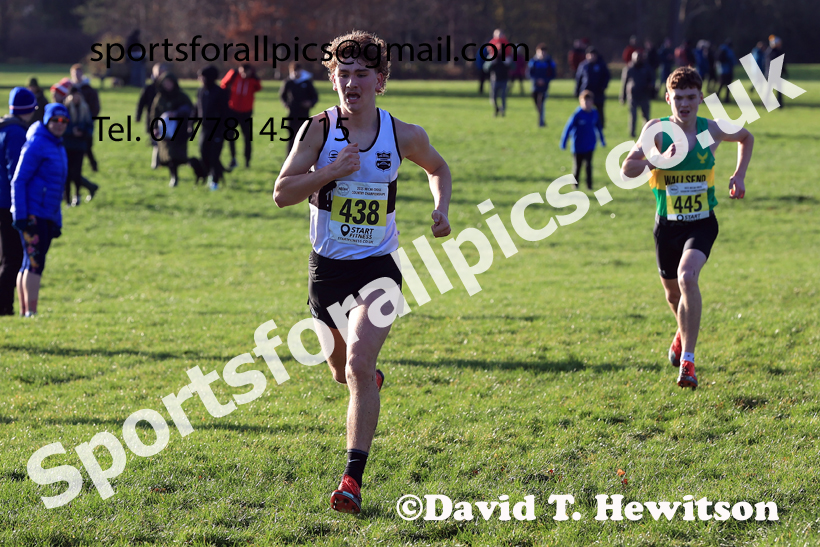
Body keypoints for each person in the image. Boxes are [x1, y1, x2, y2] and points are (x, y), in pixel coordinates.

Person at [273, 30, 452, 515]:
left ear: (381, 80)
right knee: (340, 370)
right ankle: (363, 382)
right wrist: (330, 172)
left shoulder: (402, 134)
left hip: (380, 270)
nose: (351, 83)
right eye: (343, 74)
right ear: (333, 78)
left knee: (357, 363)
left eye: (361, 75)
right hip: (327, 272)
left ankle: (352, 479)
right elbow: (283, 192)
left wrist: (441, 209)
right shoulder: (317, 130)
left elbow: (439, 168)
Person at [621, 67, 753, 389]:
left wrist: (739, 175)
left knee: (686, 276)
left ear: (700, 99)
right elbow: (627, 170)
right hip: (667, 227)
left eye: (691, 97)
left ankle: (688, 363)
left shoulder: (708, 133)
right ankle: (682, 331)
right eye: (678, 97)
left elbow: (745, 137)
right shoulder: (657, 131)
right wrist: (656, 160)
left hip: (702, 223)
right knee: (672, 293)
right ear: (668, 99)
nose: (684, 104)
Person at [10, 103, 70, 317]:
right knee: (35, 263)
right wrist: (20, 214)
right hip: (33, 213)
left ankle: (26, 312)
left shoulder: (58, 145)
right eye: (55, 120)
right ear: (46, 120)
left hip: (47, 214)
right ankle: (30, 312)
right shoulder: (36, 143)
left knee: (29, 262)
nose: (59, 125)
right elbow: (19, 180)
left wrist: (57, 220)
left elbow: (58, 187)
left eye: (64, 121)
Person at [0, 88, 35, 316]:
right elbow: (16, 173)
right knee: (13, 257)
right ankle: (4, 306)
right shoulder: (16, 133)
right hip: (7, 203)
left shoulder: (3, 128)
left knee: (5, 256)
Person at [149, 73, 192, 187]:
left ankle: (179, 173)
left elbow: (191, 111)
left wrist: (177, 114)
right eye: (165, 83)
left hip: (180, 130)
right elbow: (154, 113)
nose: (167, 85)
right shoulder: (159, 98)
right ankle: (173, 177)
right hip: (164, 131)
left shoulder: (182, 96)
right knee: (168, 156)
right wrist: (154, 128)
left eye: (169, 83)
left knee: (178, 155)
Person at [560, 90, 605, 190]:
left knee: (589, 166)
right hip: (578, 145)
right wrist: (564, 142)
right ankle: (575, 185)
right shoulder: (577, 114)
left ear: (592, 102)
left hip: (590, 144)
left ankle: (589, 186)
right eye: (584, 101)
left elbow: (598, 127)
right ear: (580, 102)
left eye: (588, 101)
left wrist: (602, 140)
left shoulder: (594, 113)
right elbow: (568, 128)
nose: (586, 104)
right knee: (577, 166)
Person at [195, 66, 230, 190]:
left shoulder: (220, 92)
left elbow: (226, 113)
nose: (200, 79)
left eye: (202, 76)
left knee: (214, 156)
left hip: (217, 129)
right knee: (203, 153)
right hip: (204, 128)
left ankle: (215, 180)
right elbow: (197, 108)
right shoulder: (200, 92)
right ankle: (212, 173)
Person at [63, 87, 98, 205]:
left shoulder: (85, 109)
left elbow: (90, 126)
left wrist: (83, 132)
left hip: (80, 146)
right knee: (67, 173)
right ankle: (67, 199)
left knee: (77, 172)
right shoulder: (66, 109)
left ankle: (76, 197)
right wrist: (71, 131)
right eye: (73, 95)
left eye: (77, 95)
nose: (75, 98)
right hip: (67, 145)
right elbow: (61, 126)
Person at [222, 64, 262, 169]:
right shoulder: (234, 74)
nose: (244, 74)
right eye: (243, 71)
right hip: (232, 110)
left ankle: (247, 161)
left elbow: (258, 88)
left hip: (246, 112)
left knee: (247, 137)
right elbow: (223, 85)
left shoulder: (253, 79)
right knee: (230, 136)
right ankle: (233, 158)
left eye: (246, 71)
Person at [279, 62, 318, 156]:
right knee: (291, 137)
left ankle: (302, 157)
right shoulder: (288, 82)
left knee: (304, 137)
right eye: (293, 71)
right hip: (292, 114)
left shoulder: (307, 82)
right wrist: (286, 104)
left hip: (304, 114)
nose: (296, 73)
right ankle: (289, 158)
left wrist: (310, 103)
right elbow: (282, 95)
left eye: (297, 70)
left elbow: (315, 97)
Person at [137, 63, 169, 169]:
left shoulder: (168, 87)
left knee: (164, 140)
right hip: (152, 119)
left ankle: (163, 161)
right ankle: (155, 163)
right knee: (156, 142)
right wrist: (138, 115)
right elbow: (141, 103)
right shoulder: (149, 88)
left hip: (166, 119)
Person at [70, 64, 101, 172]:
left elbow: (95, 107)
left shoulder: (89, 90)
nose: (77, 76)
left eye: (78, 73)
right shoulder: (70, 89)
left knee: (87, 146)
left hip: (85, 123)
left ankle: (94, 166)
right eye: (74, 74)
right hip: (72, 123)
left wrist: (89, 120)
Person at [620, 51, 654, 138]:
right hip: (633, 96)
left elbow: (652, 79)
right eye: (636, 57)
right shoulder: (629, 69)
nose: (638, 59)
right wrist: (622, 97)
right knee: (633, 115)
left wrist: (651, 88)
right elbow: (624, 83)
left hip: (644, 95)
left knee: (646, 116)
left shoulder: (647, 68)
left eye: (639, 57)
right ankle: (632, 133)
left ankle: (646, 132)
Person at [575, 46, 610, 129]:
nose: (591, 57)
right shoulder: (583, 65)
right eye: (589, 55)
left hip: (598, 92)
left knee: (599, 110)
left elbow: (607, 76)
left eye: (593, 55)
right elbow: (578, 78)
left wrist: (603, 86)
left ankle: (600, 127)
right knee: (585, 109)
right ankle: (584, 125)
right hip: (586, 92)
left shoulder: (601, 65)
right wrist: (577, 90)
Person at [527, 43, 556, 127]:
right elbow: (529, 74)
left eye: (544, 52)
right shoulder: (533, 62)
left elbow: (553, 74)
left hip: (544, 86)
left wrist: (545, 80)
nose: (542, 54)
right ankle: (541, 118)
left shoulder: (549, 62)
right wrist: (537, 80)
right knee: (537, 103)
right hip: (535, 87)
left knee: (541, 103)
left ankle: (541, 122)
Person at [765, 36, 787, 107]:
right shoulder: (771, 52)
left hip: (776, 73)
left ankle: (780, 104)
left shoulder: (776, 51)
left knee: (778, 90)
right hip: (772, 74)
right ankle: (765, 103)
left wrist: (784, 71)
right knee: (769, 90)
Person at [715, 39, 737, 103]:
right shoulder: (728, 50)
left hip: (722, 70)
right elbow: (732, 60)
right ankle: (726, 98)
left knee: (721, 84)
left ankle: (718, 96)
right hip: (728, 70)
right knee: (728, 85)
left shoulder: (721, 49)